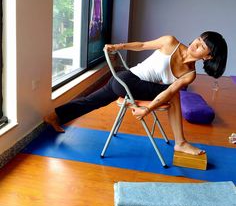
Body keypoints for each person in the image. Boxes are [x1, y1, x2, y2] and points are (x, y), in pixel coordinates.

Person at [44, 31, 228, 155]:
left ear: (208, 57)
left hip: (124, 83)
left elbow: (169, 90)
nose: (197, 44)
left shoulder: (189, 74)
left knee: (92, 101)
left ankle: (55, 116)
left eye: (204, 46)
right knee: (175, 95)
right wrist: (118, 46)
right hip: (127, 80)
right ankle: (179, 143)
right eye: (200, 39)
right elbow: (141, 45)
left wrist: (147, 109)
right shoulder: (170, 42)